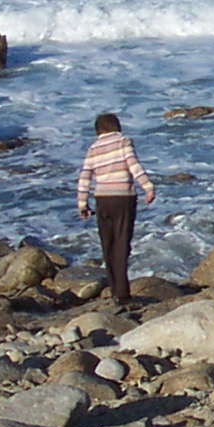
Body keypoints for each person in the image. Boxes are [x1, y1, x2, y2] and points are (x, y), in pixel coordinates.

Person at [76, 112, 155, 303]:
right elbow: (134, 166)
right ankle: (122, 292)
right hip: (123, 198)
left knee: (108, 244)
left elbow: (85, 177)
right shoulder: (123, 142)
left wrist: (82, 204)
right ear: (117, 127)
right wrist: (148, 187)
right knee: (121, 243)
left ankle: (114, 289)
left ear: (98, 131)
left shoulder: (93, 148)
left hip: (102, 199)